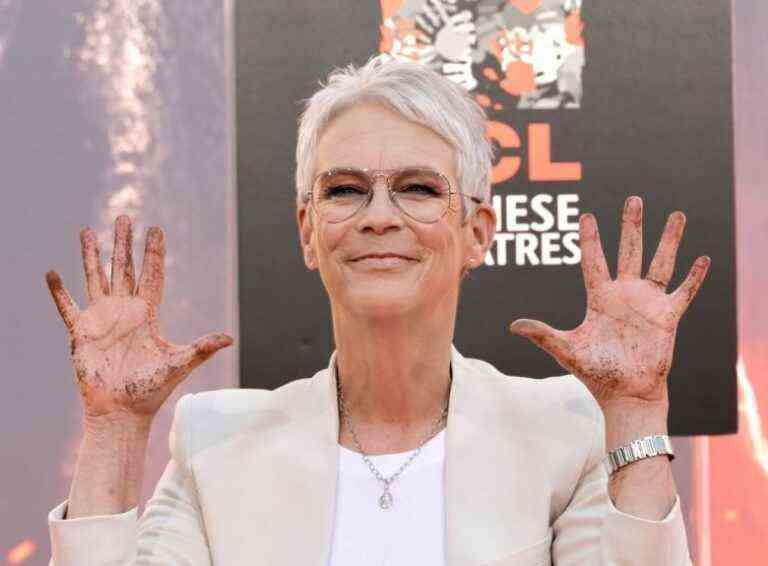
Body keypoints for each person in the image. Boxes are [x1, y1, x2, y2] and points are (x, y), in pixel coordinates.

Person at [45, 56, 708, 565]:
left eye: (418, 188)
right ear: (308, 230)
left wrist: (635, 414)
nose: (379, 217)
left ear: (478, 231)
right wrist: (115, 430)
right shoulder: (216, 441)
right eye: (346, 191)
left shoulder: (566, 432)